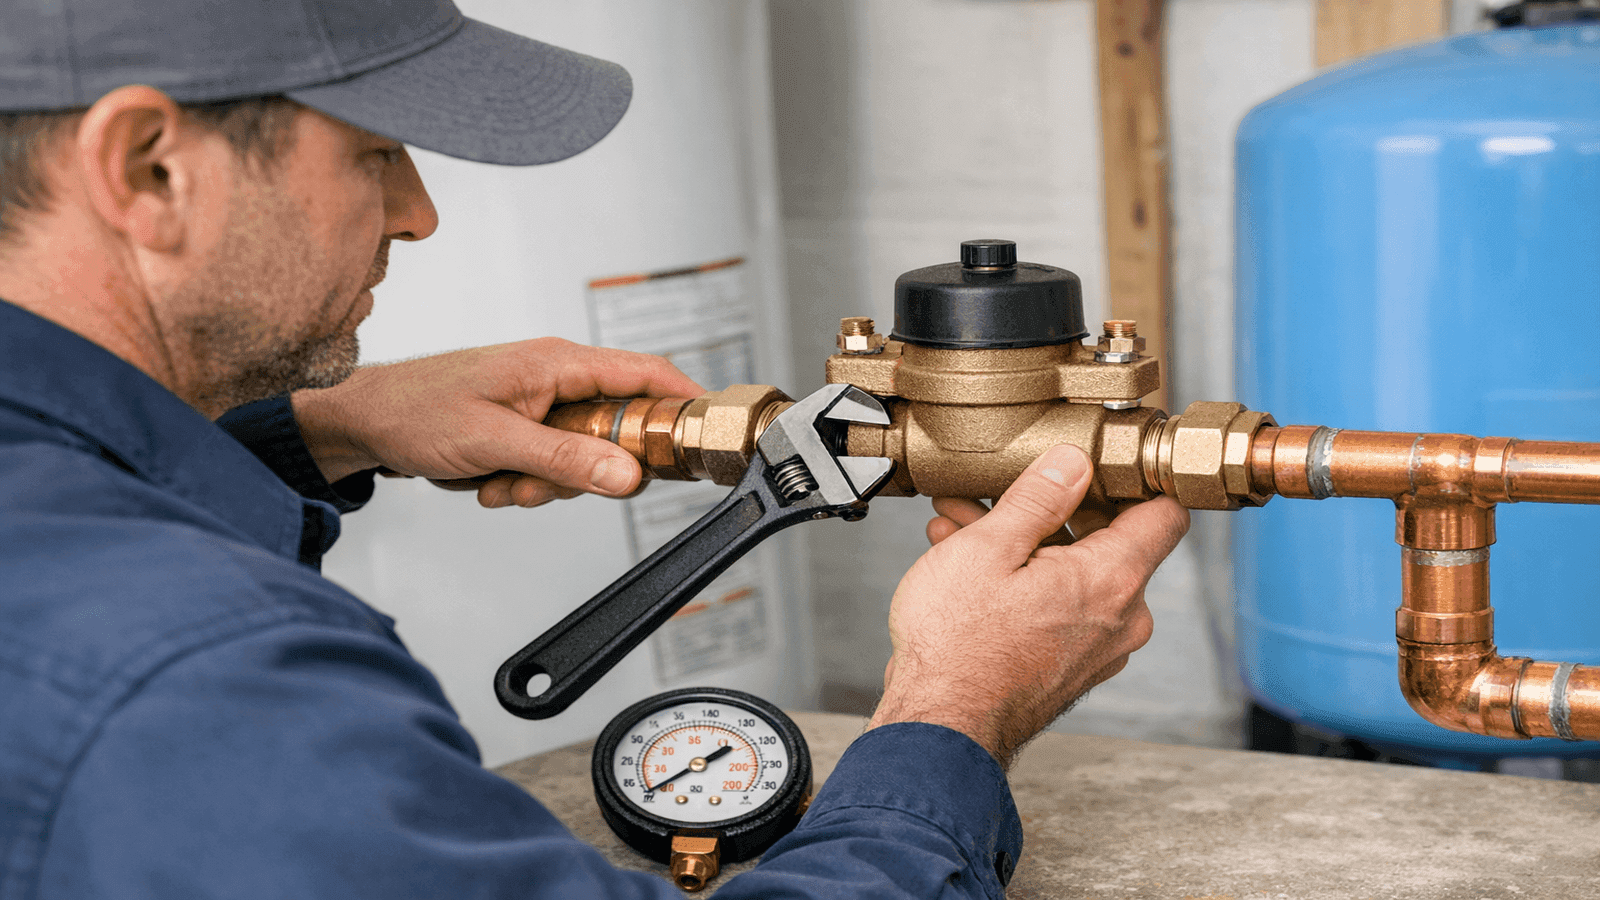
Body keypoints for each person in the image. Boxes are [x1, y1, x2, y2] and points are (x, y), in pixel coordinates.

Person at [0, 1, 1189, 897]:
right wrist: (955, 710)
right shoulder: (202, 682)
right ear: (149, 169)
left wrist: (318, 430)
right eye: (374, 153)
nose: (418, 212)